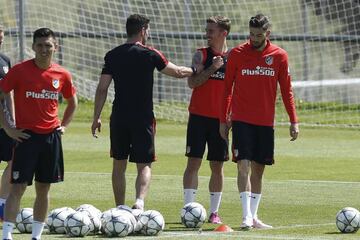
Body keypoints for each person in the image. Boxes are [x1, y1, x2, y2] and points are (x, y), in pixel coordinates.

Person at [91, 14, 194, 211]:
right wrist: (198, 69)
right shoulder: (151, 54)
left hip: (119, 117)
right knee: (144, 164)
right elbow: (178, 72)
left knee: (118, 164)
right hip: (143, 118)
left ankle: (120, 209)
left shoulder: (112, 54)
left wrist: (96, 118)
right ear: (143, 31)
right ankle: (139, 202)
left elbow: (102, 88)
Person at [220, 14, 299, 229]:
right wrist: (223, 119)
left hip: (265, 122)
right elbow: (227, 89)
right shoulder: (236, 54)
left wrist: (294, 120)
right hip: (241, 119)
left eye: (259, 35)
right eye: (251, 34)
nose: (254, 39)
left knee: (258, 170)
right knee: (242, 166)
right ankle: (245, 215)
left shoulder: (280, 56)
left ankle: (254, 217)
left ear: (268, 34)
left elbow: (286, 91)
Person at [0, 27, 77, 240]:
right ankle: (6, 236)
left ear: (55, 47)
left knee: (44, 189)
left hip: (51, 138)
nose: (44, 49)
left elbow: (72, 102)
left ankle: (36, 236)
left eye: (48, 46)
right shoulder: (19, 70)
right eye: (40, 45)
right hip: (26, 138)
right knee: (18, 188)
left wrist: (65, 125)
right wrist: (7, 127)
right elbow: (2, 93)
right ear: (33, 47)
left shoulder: (62, 74)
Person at [182, 16, 231, 224]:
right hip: (198, 117)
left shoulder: (234, 57)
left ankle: (214, 213)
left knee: (217, 166)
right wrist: (212, 68)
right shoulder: (201, 55)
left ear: (223, 33)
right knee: (193, 162)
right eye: (207, 30)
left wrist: (231, 116)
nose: (207, 34)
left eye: (211, 31)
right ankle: (188, 209)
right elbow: (192, 83)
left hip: (220, 120)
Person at [0, 25, 15, 221]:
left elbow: (9, 92)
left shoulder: (5, 60)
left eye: (1, 36)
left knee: (13, 161)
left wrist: (14, 119)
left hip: (5, 124)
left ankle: (2, 204)